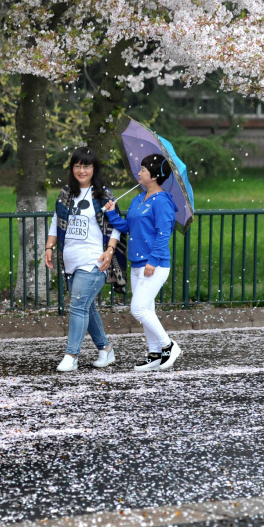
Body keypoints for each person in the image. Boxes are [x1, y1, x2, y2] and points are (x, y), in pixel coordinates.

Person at [44, 146, 127, 372]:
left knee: (78, 306)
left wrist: (110, 251)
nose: (81, 170)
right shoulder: (66, 194)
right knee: (87, 308)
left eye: (86, 166)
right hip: (70, 262)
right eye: (78, 165)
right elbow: (55, 222)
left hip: (94, 261)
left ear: (94, 169)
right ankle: (106, 350)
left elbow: (115, 227)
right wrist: (49, 246)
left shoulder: (104, 196)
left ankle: (71, 356)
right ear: (72, 168)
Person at [104, 153, 182, 371]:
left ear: (155, 176)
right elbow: (129, 228)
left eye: (143, 170)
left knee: (138, 309)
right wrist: (112, 214)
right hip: (137, 264)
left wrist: (153, 261)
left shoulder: (163, 201)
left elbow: (163, 233)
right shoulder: (138, 199)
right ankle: (154, 353)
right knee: (147, 309)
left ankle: (168, 345)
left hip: (154, 265)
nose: (139, 173)